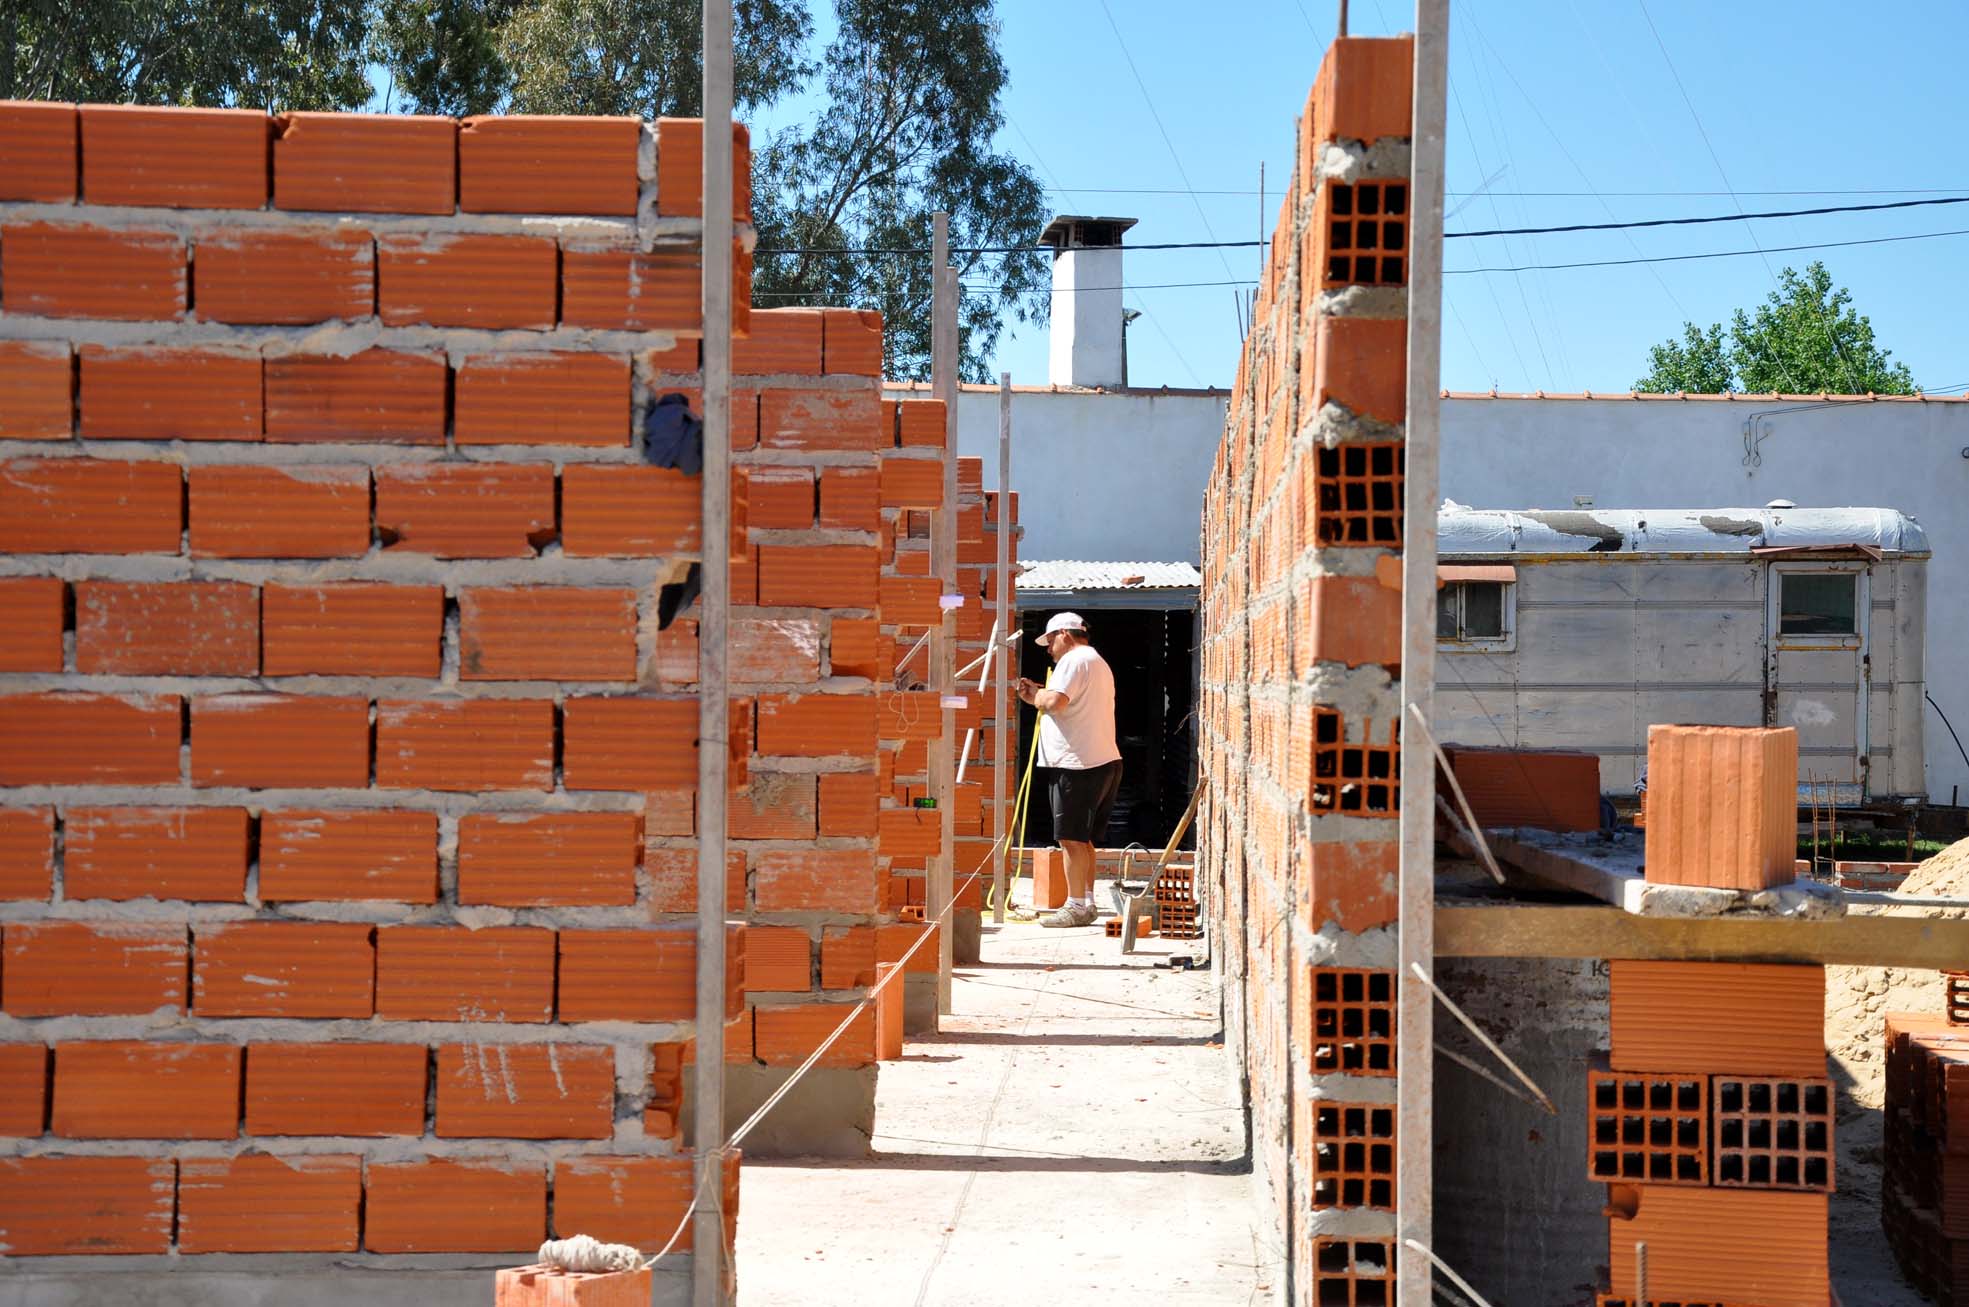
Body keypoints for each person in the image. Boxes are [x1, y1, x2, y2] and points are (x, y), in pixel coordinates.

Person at [1017, 612, 1122, 928]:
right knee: (1084, 839)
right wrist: (1038, 696)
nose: (1049, 649)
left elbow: (1055, 703)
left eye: (1050, 641)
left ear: (1064, 634)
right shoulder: (1095, 662)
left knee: (1070, 840)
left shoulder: (1074, 661)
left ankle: (1075, 906)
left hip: (1076, 765)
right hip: (1099, 761)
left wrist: (1035, 696)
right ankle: (1086, 902)